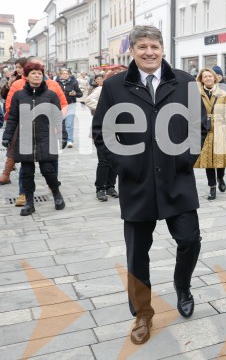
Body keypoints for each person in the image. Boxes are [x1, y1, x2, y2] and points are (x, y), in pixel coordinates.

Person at [92, 25, 206, 345]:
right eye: (141, 47)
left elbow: (200, 125)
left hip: (177, 180)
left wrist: (185, 159)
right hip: (137, 183)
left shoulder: (184, 82)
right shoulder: (116, 86)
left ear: (163, 49)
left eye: (154, 46)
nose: (149, 52)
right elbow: (103, 131)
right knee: (137, 255)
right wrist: (123, 165)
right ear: (132, 51)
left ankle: (182, 284)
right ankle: (143, 312)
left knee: (190, 240)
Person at [2, 61, 67, 216]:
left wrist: (63, 135)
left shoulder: (50, 95)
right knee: (27, 172)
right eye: (33, 73)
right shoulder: (19, 95)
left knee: (47, 169)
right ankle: (29, 203)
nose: (37, 75)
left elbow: (58, 118)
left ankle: (57, 193)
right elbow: (12, 118)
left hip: (45, 137)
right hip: (25, 138)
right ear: (27, 76)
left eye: (39, 73)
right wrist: (7, 136)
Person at [193, 68, 226, 201]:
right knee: (208, 163)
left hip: (220, 130)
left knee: (220, 160)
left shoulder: (222, 94)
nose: (208, 79)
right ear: (201, 79)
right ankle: (212, 187)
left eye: (210, 76)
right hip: (204, 131)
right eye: (205, 77)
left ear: (215, 78)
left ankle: (221, 178)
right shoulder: (197, 94)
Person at [86, 69, 123, 202]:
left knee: (115, 159)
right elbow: (88, 100)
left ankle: (110, 187)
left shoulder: (123, 90)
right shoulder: (102, 89)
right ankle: (100, 188)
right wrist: (104, 107)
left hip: (118, 129)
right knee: (103, 160)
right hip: (102, 128)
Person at [57, 69, 80, 148]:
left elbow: (80, 93)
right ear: (60, 75)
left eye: (67, 74)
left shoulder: (73, 82)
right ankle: (62, 139)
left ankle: (70, 140)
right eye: (63, 74)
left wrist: (75, 93)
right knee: (60, 124)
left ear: (69, 75)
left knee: (69, 124)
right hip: (60, 106)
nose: (65, 75)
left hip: (71, 105)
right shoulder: (56, 83)